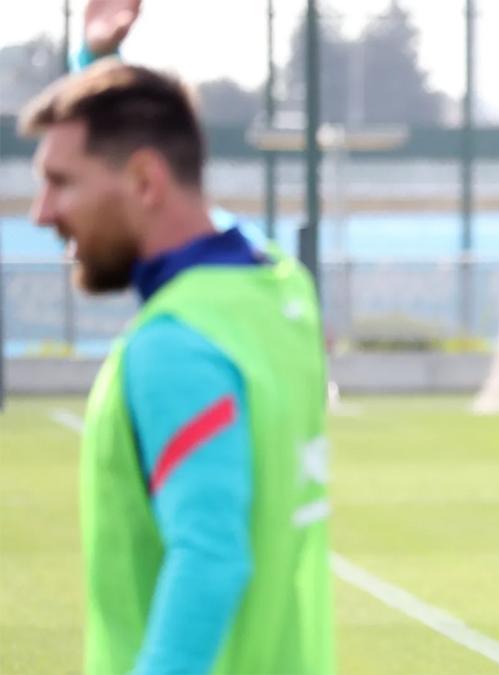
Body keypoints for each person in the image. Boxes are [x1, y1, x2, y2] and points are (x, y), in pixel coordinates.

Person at [20, 57, 333, 674]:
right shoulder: (281, 290)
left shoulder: (176, 345)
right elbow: (201, 224)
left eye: (61, 182)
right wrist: (97, 70)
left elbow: (212, 560)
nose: (43, 212)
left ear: (144, 180)